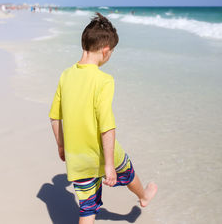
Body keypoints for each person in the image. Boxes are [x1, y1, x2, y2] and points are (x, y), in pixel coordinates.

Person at [49, 12, 157, 224]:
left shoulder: (66, 75)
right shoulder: (104, 80)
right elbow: (106, 124)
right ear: (106, 51)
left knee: (87, 209)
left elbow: (54, 117)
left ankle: (143, 196)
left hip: (77, 157)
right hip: (105, 152)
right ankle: (143, 196)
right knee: (126, 169)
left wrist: (61, 147)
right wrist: (108, 164)